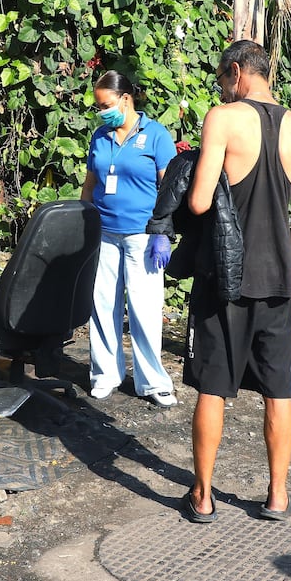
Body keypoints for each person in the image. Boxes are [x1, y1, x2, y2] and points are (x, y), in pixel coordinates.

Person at [181, 40, 291, 523]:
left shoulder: (223, 117)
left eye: (223, 79)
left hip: (225, 277)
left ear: (237, 72)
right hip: (278, 276)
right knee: (278, 391)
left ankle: (203, 497)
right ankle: (277, 497)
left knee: (213, 387)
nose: (223, 88)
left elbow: (198, 202)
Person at [80, 70, 178, 408]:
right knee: (103, 305)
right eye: (98, 107)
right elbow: (91, 184)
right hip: (104, 233)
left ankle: (153, 382)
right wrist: (83, 223)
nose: (101, 112)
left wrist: (162, 230)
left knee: (144, 308)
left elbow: (169, 188)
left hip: (142, 236)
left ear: (125, 99)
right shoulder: (100, 136)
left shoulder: (156, 136)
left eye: (105, 105)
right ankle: (105, 375)